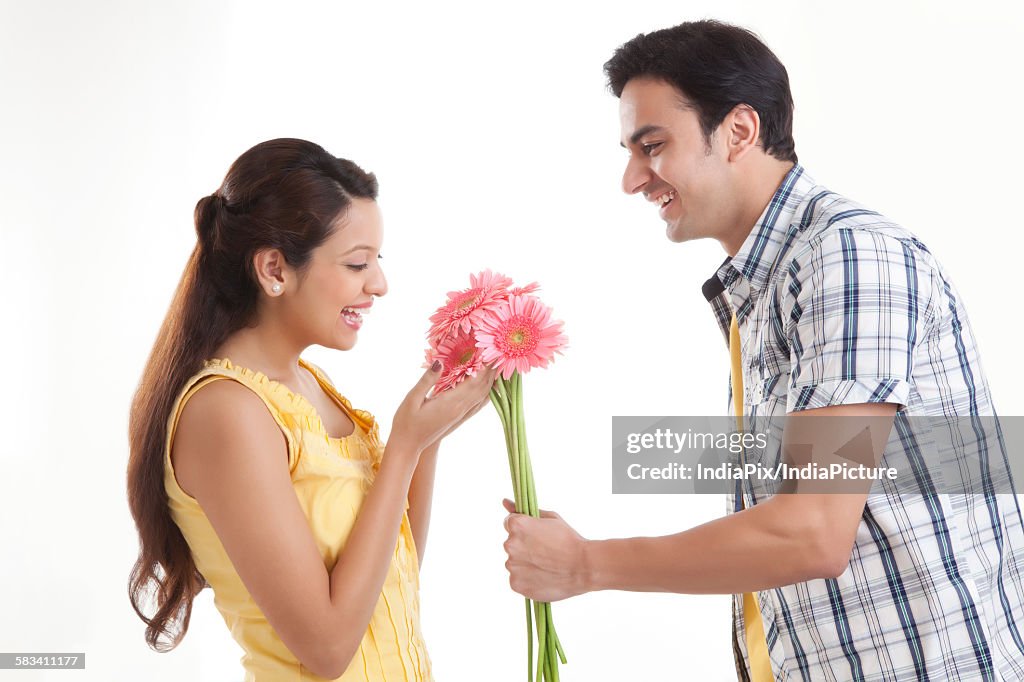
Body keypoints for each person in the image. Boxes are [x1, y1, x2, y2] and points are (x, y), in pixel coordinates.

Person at [500, 20, 1024, 681]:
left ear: (740, 131)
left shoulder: (846, 257)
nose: (633, 179)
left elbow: (811, 528)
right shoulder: (767, 283)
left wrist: (587, 564)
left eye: (652, 146)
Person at [126, 138, 495, 681]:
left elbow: (396, 570)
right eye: (356, 264)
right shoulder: (226, 412)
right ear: (274, 268)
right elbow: (326, 650)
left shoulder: (309, 385)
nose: (380, 284)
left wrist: (429, 437)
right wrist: (406, 446)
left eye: (377, 261)